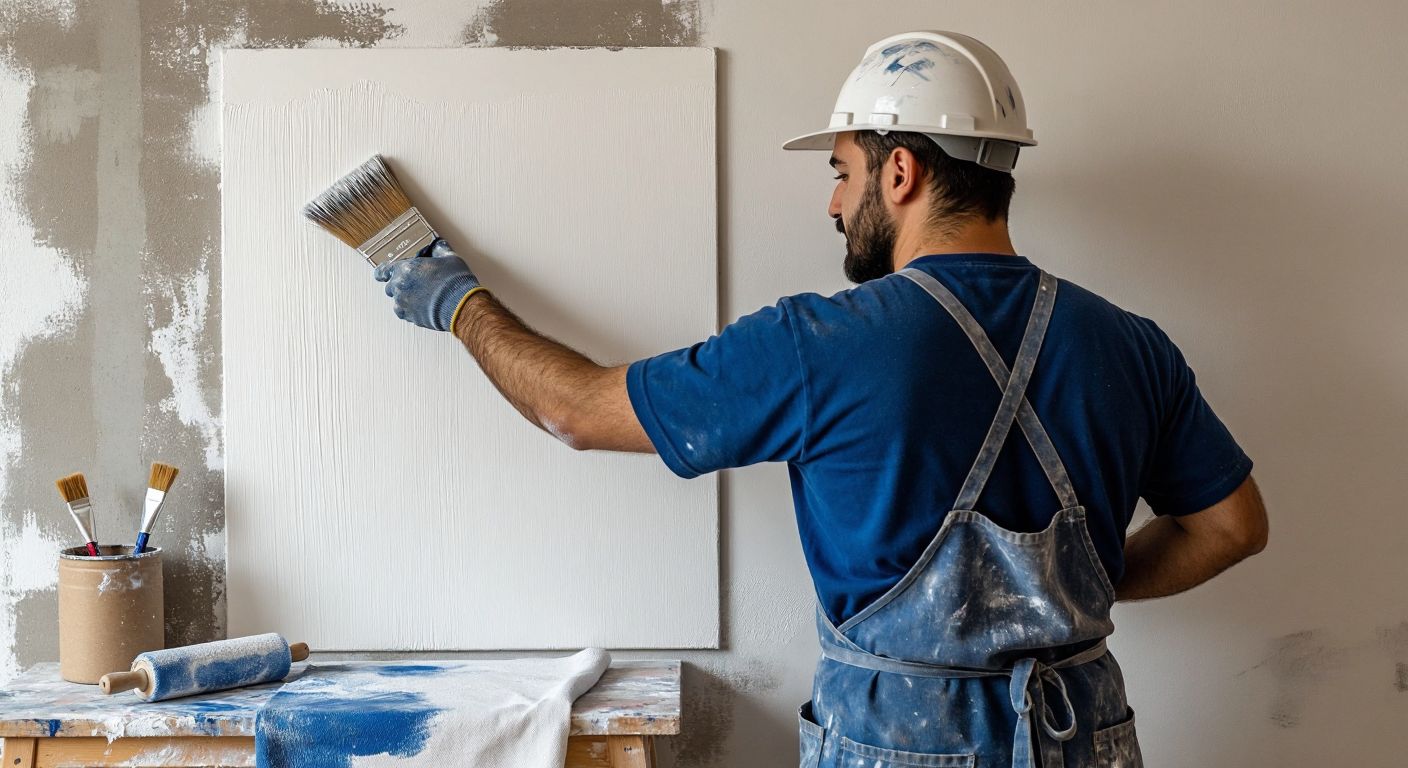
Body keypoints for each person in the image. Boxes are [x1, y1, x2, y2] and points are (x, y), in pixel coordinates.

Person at [374, 30, 1268, 768]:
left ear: (902, 172)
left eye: (842, 171)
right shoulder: (1130, 343)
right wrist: (1069, 591)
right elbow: (1230, 528)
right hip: (1087, 738)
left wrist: (460, 305)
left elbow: (575, 411)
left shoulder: (824, 345)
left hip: (903, 745)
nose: (832, 203)